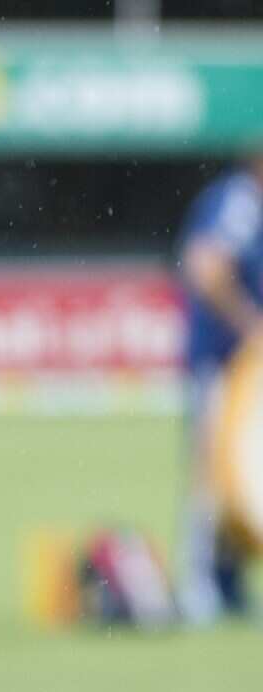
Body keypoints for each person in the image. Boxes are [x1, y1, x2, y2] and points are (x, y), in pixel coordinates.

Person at [177, 150, 263, 624]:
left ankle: (229, 586)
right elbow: (205, 266)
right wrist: (249, 323)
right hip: (223, 364)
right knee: (211, 478)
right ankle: (201, 589)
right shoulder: (237, 203)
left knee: (244, 479)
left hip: (248, 371)